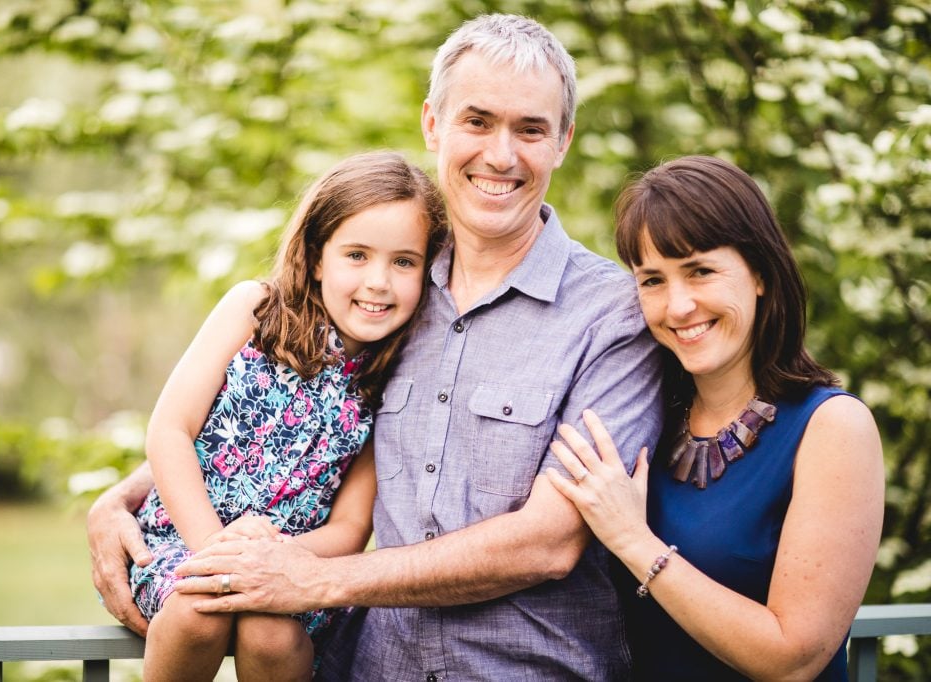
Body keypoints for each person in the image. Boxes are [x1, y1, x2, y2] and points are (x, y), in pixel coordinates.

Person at [89, 14, 664, 679]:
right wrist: (121, 499)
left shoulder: (610, 316)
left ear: (563, 141)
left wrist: (316, 581)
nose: (502, 155)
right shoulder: (389, 293)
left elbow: (549, 542)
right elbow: (266, 420)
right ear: (432, 125)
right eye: (477, 122)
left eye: (530, 129)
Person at [545, 155, 884, 681]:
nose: (678, 306)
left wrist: (635, 542)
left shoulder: (832, 428)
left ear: (761, 275)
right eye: (652, 280)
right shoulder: (645, 418)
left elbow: (792, 659)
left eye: (700, 271)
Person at [119, 150, 448, 682]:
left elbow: (350, 526)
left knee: (270, 632)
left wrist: (276, 559)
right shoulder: (254, 310)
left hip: (296, 566)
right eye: (357, 255)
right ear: (318, 258)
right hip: (189, 542)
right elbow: (169, 432)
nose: (379, 281)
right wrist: (218, 553)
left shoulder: (389, 378)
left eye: (404, 262)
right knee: (196, 611)